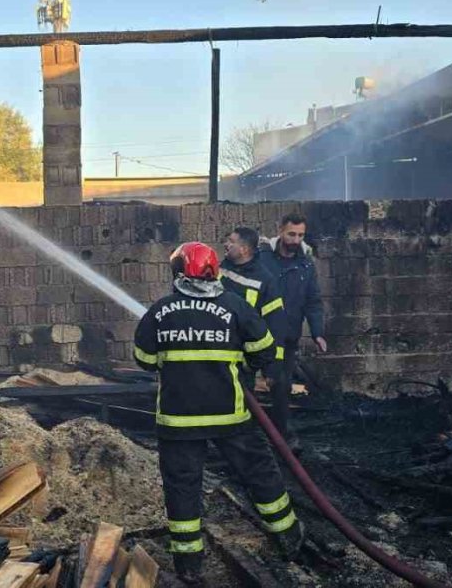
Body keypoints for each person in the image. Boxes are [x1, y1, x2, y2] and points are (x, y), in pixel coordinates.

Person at [134, 242, 303, 583]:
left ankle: (188, 562)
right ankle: (287, 535)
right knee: (259, 472)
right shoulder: (235, 306)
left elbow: (145, 360)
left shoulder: (160, 311)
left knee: (182, 487)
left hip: (178, 422)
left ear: (180, 272)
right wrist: (242, 364)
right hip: (230, 416)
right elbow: (265, 349)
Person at [259, 213, 327, 440]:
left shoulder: (306, 264)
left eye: (300, 235)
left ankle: (282, 435)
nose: (296, 240)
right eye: (291, 234)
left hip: (287, 336)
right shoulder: (262, 258)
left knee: (282, 385)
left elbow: (313, 300)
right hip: (257, 333)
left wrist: (317, 333)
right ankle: (243, 433)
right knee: (245, 383)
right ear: (280, 230)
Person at [220, 226, 288, 389]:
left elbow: (275, 324)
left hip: (241, 363)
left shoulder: (265, 281)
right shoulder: (219, 270)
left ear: (244, 249)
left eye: (231, 241)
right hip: (214, 354)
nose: (226, 244)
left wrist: (272, 369)